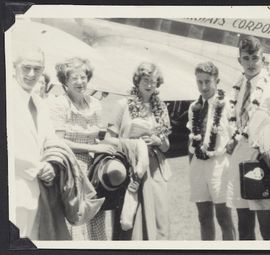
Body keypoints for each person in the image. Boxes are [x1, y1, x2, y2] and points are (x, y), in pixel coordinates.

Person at [225, 35, 270, 240]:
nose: (250, 63)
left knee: (267, 229)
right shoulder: (236, 87)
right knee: (244, 228)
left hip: (262, 164)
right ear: (239, 59)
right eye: (246, 58)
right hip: (239, 161)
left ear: (263, 58)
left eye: (255, 58)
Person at [49, 57, 116, 240]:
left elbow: (100, 137)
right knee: (76, 216)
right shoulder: (59, 104)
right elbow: (60, 142)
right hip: (70, 167)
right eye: (74, 78)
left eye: (83, 77)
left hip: (93, 169)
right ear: (65, 81)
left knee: (95, 214)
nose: (80, 82)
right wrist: (95, 148)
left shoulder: (95, 104)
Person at [106, 62, 172, 240]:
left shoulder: (161, 107)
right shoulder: (122, 105)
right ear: (137, 80)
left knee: (159, 219)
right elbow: (108, 139)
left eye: (153, 80)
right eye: (145, 80)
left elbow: (166, 146)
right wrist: (133, 145)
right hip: (130, 167)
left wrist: (158, 140)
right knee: (131, 220)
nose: (149, 84)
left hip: (155, 168)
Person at [8, 45, 57, 239]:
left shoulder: (40, 104)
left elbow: (51, 141)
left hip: (36, 193)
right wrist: (37, 167)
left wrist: (51, 165)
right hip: (12, 188)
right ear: (14, 66)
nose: (31, 74)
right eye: (26, 67)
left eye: (37, 69)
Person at [186, 62, 235, 240]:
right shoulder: (194, 107)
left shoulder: (228, 105)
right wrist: (191, 164)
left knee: (224, 218)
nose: (204, 86)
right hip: (198, 165)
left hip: (219, 165)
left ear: (217, 81)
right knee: (203, 217)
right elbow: (191, 138)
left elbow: (234, 138)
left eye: (208, 81)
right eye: (200, 82)